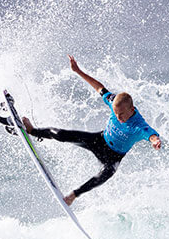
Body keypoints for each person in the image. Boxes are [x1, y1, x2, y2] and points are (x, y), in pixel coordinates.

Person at [22, 55, 161, 205]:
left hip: (113, 157)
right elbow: (99, 87)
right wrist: (78, 71)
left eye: (121, 114)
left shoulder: (138, 125)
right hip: (99, 140)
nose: (118, 117)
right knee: (62, 135)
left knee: (104, 175)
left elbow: (151, 134)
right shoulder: (113, 102)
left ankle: (74, 195)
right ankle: (33, 131)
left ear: (131, 109)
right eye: (116, 113)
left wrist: (155, 141)